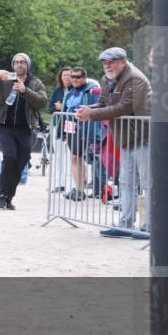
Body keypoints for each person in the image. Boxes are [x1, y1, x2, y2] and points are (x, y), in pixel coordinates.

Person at [75, 47, 151, 238]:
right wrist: (87, 109)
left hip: (145, 137)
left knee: (149, 183)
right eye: (104, 62)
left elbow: (122, 107)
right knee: (126, 182)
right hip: (126, 138)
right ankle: (125, 225)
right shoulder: (107, 79)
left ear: (123, 61)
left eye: (111, 62)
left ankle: (151, 227)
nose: (107, 66)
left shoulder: (135, 78)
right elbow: (102, 103)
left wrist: (91, 114)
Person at [0, 53, 47, 210]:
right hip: (6, 126)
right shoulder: (4, 79)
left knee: (21, 162)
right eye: (16, 62)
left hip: (26, 128)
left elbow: (42, 102)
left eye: (23, 62)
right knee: (10, 158)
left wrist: (25, 91)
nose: (19, 65)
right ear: (13, 64)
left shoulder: (35, 82)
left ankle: (9, 197)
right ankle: (2, 196)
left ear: (28, 65)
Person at [62, 67, 104, 201]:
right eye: (72, 77)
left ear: (84, 77)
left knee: (97, 160)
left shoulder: (93, 89)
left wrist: (97, 131)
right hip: (72, 130)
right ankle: (79, 189)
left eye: (78, 77)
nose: (74, 79)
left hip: (91, 130)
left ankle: (100, 190)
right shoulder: (70, 92)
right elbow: (64, 111)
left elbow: (100, 108)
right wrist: (62, 132)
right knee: (75, 158)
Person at [47, 65, 73, 193]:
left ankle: (75, 185)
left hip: (72, 126)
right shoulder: (57, 91)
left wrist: (63, 107)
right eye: (64, 75)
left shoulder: (76, 90)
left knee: (72, 156)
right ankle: (59, 183)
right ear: (60, 77)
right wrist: (57, 108)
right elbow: (50, 108)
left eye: (69, 75)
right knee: (58, 156)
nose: (66, 77)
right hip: (58, 126)